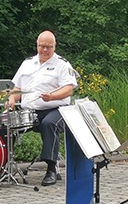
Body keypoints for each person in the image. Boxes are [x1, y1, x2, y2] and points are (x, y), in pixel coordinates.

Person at [8, 31, 77, 187]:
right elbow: (17, 88)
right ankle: (3, 165)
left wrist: (52, 97)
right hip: (30, 111)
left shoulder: (62, 64)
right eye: (42, 46)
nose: (45, 50)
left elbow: (68, 89)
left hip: (57, 109)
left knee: (49, 124)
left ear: (55, 46)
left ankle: (51, 169)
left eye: (48, 47)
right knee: (6, 125)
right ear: (37, 45)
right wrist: (12, 99)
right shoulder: (27, 63)